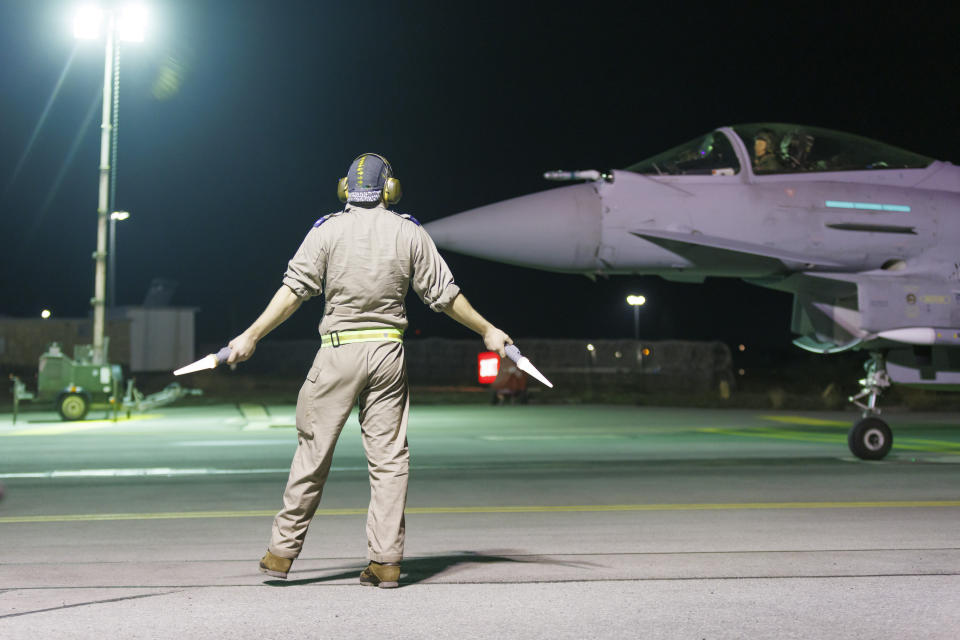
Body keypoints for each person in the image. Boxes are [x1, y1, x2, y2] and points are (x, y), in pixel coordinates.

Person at [227, 153, 512, 588]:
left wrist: (251, 335)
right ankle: (386, 561)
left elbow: (293, 291)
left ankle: (282, 553)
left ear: (346, 188)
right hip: (388, 356)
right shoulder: (409, 231)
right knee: (389, 460)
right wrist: (488, 329)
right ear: (389, 189)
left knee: (312, 453)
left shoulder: (326, 230)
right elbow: (445, 295)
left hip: (338, 354)